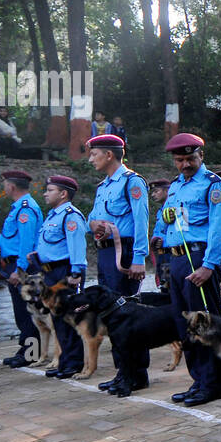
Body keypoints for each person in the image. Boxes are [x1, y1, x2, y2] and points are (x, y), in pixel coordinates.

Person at [162, 133, 221, 406]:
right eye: (180, 160)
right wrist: (163, 229)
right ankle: (198, 380)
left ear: (201, 155)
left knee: (205, 324)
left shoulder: (213, 186)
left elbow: (218, 228)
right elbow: (169, 217)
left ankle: (213, 384)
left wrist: (209, 265)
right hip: (178, 260)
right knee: (185, 325)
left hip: (200, 259)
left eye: (190, 158)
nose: (185, 164)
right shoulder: (176, 186)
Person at [85, 133, 150, 393]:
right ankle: (123, 372)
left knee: (127, 316)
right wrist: (93, 225)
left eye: (94, 154)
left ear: (109, 155)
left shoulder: (131, 182)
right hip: (105, 253)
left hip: (123, 254)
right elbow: (91, 219)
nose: (90, 159)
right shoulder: (103, 187)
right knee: (112, 318)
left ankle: (136, 374)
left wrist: (138, 258)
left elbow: (141, 220)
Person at [35, 175, 88, 379]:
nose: (45, 193)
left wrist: (75, 272)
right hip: (49, 271)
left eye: (50, 190)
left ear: (63, 193)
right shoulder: (52, 215)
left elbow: (77, 246)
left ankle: (73, 363)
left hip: (64, 271)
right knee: (57, 319)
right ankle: (64, 360)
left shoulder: (70, 215)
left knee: (68, 317)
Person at [0, 170, 44, 367]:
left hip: (20, 268)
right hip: (12, 266)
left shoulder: (25, 209)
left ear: (12, 186)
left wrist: (19, 270)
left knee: (28, 313)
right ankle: (26, 349)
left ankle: (31, 352)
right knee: (21, 312)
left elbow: (26, 242)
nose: (4, 187)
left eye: (5, 184)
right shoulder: (18, 207)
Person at [149, 179, 173, 292]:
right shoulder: (160, 211)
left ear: (167, 190)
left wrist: (163, 240)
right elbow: (157, 232)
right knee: (163, 288)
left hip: (172, 253)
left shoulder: (174, 208)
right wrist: (155, 240)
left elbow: (180, 232)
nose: (153, 195)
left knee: (172, 288)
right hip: (162, 255)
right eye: (152, 192)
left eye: (156, 191)